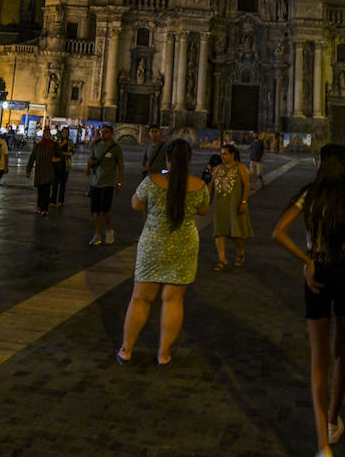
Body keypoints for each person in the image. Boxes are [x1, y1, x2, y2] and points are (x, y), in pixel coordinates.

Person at [272, 144, 345, 455]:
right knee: (342, 353)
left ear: (322, 165)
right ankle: (332, 419)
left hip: (317, 272)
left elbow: (278, 232)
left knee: (318, 362)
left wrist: (307, 261)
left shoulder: (309, 197)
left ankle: (322, 445)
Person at [116, 138, 210, 366]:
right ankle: (164, 355)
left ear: (167, 158)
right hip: (184, 245)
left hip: (153, 244)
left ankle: (126, 350)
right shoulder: (199, 186)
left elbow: (136, 204)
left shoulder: (152, 182)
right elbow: (204, 210)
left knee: (140, 299)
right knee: (173, 300)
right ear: (189, 160)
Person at [211, 142, 254, 270]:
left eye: (225, 154)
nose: (222, 156)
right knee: (219, 232)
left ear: (232, 154)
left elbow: (247, 186)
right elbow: (211, 183)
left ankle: (240, 251)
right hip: (219, 205)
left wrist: (244, 202)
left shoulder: (241, 168)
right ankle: (222, 259)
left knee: (236, 233)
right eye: (221, 154)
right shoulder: (218, 168)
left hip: (234, 204)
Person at [87, 124, 125, 246]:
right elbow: (90, 162)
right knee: (95, 211)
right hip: (95, 183)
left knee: (105, 210)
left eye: (107, 132)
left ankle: (109, 230)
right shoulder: (95, 146)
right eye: (102, 132)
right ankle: (97, 235)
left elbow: (121, 166)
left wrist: (119, 182)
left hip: (108, 183)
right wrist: (89, 166)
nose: (104, 134)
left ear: (111, 134)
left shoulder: (116, 148)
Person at [26, 131, 56, 216]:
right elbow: (32, 158)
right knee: (40, 191)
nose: (47, 136)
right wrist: (28, 170)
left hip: (48, 172)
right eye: (45, 134)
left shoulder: (53, 146)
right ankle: (39, 207)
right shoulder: (38, 146)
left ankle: (45, 209)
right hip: (39, 172)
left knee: (46, 192)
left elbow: (59, 156)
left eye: (48, 135)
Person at [50, 127, 73, 207]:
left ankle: (61, 200)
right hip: (57, 164)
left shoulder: (70, 142)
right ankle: (53, 200)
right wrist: (62, 146)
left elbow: (71, 153)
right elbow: (55, 151)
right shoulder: (58, 141)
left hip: (65, 164)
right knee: (55, 183)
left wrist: (61, 153)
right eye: (63, 132)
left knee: (63, 184)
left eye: (66, 132)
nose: (65, 134)